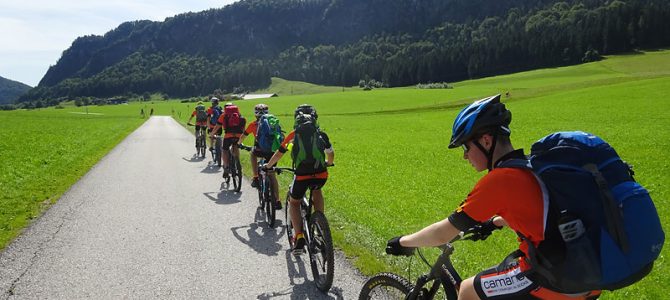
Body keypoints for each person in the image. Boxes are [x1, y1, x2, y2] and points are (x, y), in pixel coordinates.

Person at [384, 95, 600, 300]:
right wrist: (494, 223)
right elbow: (539, 212)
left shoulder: (501, 180)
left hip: (555, 277)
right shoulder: (530, 166)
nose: (465, 155)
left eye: (466, 147)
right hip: (584, 271)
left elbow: (443, 233)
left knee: (468, 290)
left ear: (486, 141)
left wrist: (404, 242)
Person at [263, 104, 335, 254]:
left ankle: (299, 236)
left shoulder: (293, 135)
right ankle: (319, 223)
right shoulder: (321, 134)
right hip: (321, 174)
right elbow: (330, 153)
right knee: (317, 190)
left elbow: (278, 153)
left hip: (302, 175)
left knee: (294, 202)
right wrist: (328, 163)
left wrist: (268, 166)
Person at [238, 104, 271, 188]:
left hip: (259, 150)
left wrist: (239, 144)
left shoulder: (253, 124)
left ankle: (255, 177)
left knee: (253, 154)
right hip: (272, 151)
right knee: (271, 173)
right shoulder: (272, 123)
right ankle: (276, 199)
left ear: (255, 114)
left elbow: (243, 136)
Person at [210, 102, 246, 178]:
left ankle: (226, 167)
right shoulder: (239, 115)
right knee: (235, 147)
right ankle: (237, 162)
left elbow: (217, 126)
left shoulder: (223, 115)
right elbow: (243, 129)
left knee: (225, 150)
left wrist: (212, 134)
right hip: (238, 136)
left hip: (228, 136)